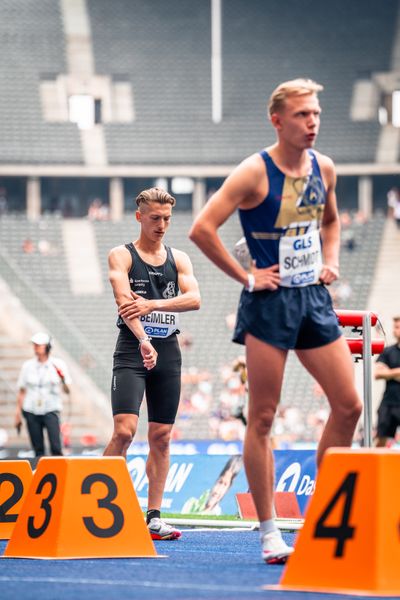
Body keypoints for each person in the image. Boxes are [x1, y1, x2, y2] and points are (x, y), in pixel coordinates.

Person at [189, 78, 362, 564]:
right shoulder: (253, 173)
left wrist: (331, 260)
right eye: (304, 115)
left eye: (317, 114)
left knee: (348, 406)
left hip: (312, 296)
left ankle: (325, 514)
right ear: (278, 120)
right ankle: (269, 533)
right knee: (263, 416)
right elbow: (202, 228)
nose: (313, 123)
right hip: (268, 302)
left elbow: (331, 221)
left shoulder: (323, 167)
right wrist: (246, 276)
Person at [103, 187, 201, 541]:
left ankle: (154, 516)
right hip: (132, 347)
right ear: (139, 216)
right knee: (124, 431)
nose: (161, 225)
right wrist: (144, 340)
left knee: (161, 437)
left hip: (168, 351)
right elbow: (123, 303)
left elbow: (195, 299)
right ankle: (92, 500)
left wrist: (152, 305)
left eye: (167, 219)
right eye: (155, 218)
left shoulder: (180, 259)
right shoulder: (122, 256)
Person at [15, 332, 71, 458]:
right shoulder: (27, 366)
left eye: (39, 345)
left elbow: (67, 390)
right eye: (34, 345)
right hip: (31, 409)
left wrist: (62, 379)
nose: (36, 348)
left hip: (51, 409)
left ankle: (58, 474)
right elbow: (22, 390)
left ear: (48, 346)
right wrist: (18, 413)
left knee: (56, 447)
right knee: (38, 448)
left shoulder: (58, 364)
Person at [374, 316, 400, 447]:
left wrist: (389, 372)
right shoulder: (387, 352)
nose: (397, 330)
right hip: (389, 403)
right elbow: (378, 374)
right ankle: (375, 467)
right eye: (395, 327)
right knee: (380, 441)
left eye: (399, 327)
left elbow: (384, 373)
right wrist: (397, 373)